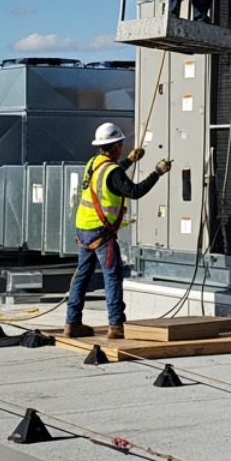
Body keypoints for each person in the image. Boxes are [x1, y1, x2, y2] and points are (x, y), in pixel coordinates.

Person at [64, 122, 172, 339]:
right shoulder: (113, 171)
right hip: (101, 232)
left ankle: (72, 323)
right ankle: (116, 326)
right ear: (114, 147)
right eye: (120, 144)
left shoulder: (94, 162)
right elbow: (134, 190)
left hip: (83, 228)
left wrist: (130, 160)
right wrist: (157, 172)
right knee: (112, 276)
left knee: (82, 277)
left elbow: (110, 174)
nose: (122, 148)